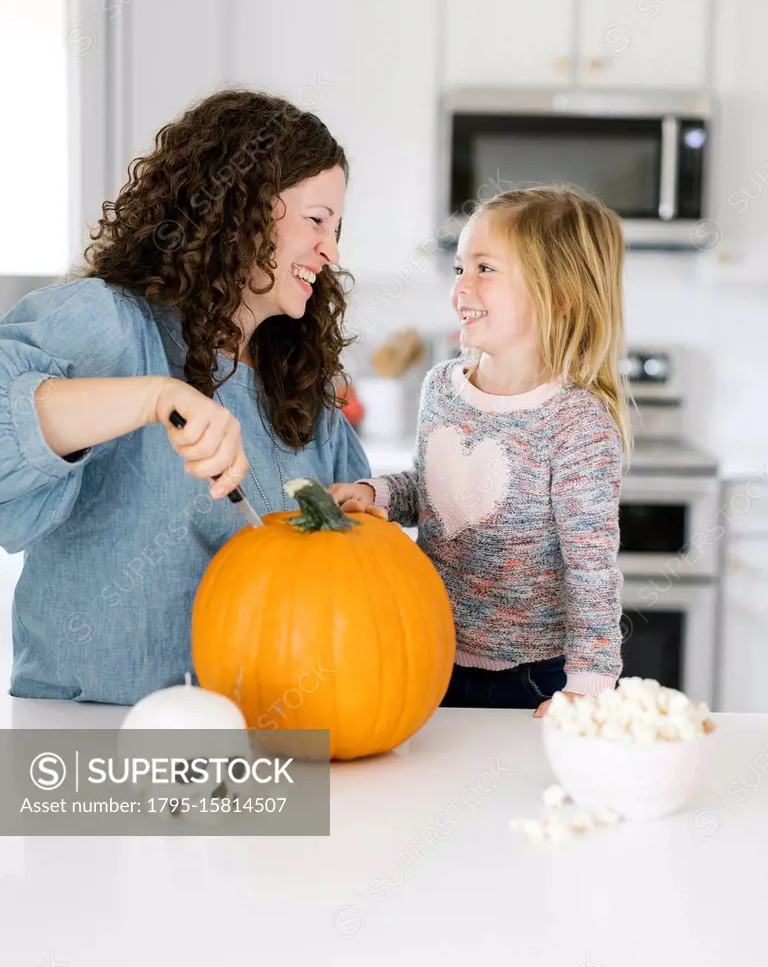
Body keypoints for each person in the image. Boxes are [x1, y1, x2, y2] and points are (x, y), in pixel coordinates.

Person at [0, 88, 375, 704]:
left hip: (257, 749)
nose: (331, 251)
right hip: (97, 747)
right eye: (316, 221)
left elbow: (350, 577)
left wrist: (362, 509)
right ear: (242, 208)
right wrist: (155, 396)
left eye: (336, 228)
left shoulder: (303, 392)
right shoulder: (109, 326)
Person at [330, 186, 631, 716]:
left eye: (485, 269)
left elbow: (593, 571)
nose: (461, 288)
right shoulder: (442, 387)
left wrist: (587, 687)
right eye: (459, 269)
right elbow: (432, 489)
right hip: (429, 652)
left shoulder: (577, 423)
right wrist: (374, 492)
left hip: (536, 679)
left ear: (559, 294)